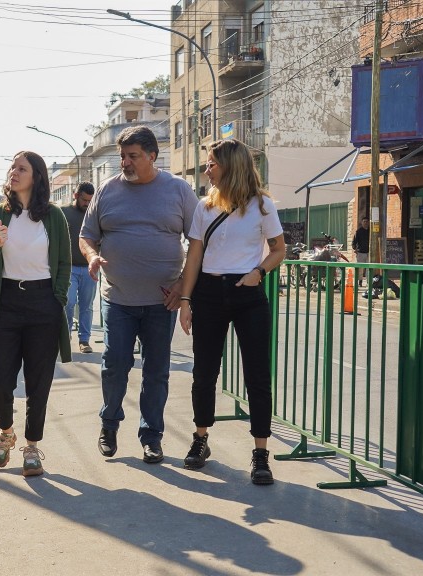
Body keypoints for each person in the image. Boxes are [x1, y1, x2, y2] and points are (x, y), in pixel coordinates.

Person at [80, 125, 199, 464]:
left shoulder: (178, 190)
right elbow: (86, 235)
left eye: (132, 156)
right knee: (114, 365)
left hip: (162, 301)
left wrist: (183, 286)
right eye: (123, 156)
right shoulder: (107, 190)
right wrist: (91, 256)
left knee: (156, 371)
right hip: (117, 298)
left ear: (152, 156)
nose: (125, 162)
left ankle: (151, 437)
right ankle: (109, 423)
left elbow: (198, 241)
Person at [177, 138, 286, 484]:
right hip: (208, 293)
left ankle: (260, 453)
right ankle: (200, 439)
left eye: (212, 163)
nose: (207, 169)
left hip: (247, 292)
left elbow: (279, 249)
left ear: (231, 166)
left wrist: (259, 272)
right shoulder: (205, 207)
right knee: (204, 372)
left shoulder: (262, 206)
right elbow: (194, 256)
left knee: (257, 375)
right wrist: (185, 300)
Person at [0, 151, 71, 477]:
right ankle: (6, 434)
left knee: (38, 381)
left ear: (36, 177)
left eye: (22, 168)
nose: (13, 172)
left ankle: (31, 447)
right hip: (6, 304)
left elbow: (63, 262)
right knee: (0, 378)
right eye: (12, 167)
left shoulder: (54, 216)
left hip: (43, 303)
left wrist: (57, 299)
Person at [61, 182, 97, 354]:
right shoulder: (63, 213)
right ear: (76, 196)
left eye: (90, 201)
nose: (87, 204)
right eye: (84, 200)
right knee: (68, 303)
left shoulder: (94, 214)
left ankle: (84, 340)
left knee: (86, 306)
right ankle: (65, 336)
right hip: (69, 268)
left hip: (90, 268)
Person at [352, 216, 370, 285]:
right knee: (360, 268)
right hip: (360, 252)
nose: (365, 223)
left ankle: (368, 282)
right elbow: (354, 242)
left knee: (369, 268)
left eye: (366, 221)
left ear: (368, 223)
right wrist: (355, 249)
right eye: (364, 222)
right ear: (362, 223)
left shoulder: (370, 231)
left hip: (369, 252)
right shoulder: (358, 231)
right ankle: (360, 281)